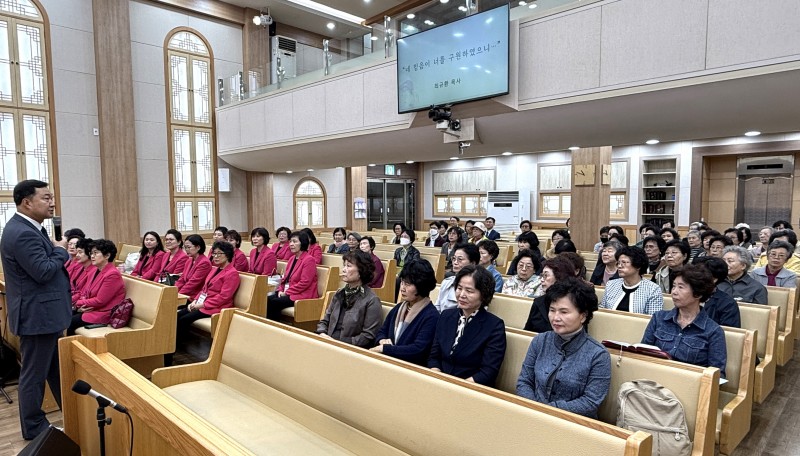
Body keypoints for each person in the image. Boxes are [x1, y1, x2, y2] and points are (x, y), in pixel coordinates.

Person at [0, 180, 72, 440]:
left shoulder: (32, 228)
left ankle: (72, 414)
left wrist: (54, 250)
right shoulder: (22, 232)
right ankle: (33, 427)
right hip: (37, 316)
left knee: (54, 370)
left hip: (45, 314)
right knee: (34, 374)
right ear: (27, 202)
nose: (52, 202)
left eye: (52, 197)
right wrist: (61, 251)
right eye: (46, 198)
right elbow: (42, 271)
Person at [516, 278, 611, 419]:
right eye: (552, 310)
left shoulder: (598, 354)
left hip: (572, 424)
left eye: (564, 312)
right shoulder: (539, 341)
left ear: (583, 316)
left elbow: (590, 402)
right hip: (531, 415)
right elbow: (524, 382)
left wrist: (549, 411)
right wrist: (534, 409)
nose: (555, 318)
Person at [642, 265, 727, 377]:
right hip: (654, 379)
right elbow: (642, 354)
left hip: (689, 386)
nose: (674, 292)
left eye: (681, 287)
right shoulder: (659, 318)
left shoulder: (713, 331)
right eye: (673, 286)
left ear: (698, 293)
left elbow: (717, 374)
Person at [428, 265, 507, 386]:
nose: (462, 295)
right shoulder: (446, 316)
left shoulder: (494, 326)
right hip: (438, 382)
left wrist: (458, 387)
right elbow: (434, 356)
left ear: (484, 294)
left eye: (469, 291)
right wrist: (437, 377)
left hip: (470, 389)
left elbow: (488, 371)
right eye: (459, 288)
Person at [371, 259, 439, 365]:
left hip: (410, 368)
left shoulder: (431, 315)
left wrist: (386, 349)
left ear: (421, 285)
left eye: (407, 284)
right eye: (402, 282)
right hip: (388, 362)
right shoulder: (398, 308)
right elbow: (381, 332)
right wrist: (382, 340)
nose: (402, 288)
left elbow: (418, 350)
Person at [175, 241, 241, 349]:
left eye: (219, 254)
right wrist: (195, 301)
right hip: (203, 303)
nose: (215, 256)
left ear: (228, 255)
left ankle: (177, 346)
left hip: (216, 307)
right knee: (178, 315)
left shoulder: (232, 273)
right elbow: (204, 289)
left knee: (184, 319)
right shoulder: (215, 269)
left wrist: (202, 305)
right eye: (214, 253)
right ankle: (175, 344)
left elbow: (224, 297)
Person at [317, 250, 382, 347]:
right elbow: (324, 321)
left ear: (361, 270)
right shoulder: (339, 293)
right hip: (328, 342)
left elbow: (368, 336)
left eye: (349, 266)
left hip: (349, 349)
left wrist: (339, 343)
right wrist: (322, 333)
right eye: (344, 265)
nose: (343, 269)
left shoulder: (372, 300)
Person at [68, 239, 126, 335]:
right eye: (91, 253)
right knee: (63, 316)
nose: (92, 256)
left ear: (107, 255)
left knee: (70, 322)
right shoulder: (95, 270)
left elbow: (100, 300)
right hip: (91, 308)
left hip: (103, 313)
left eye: (96, 253)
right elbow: (85, 293)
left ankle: (66, 349)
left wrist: (77, 303)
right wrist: (79, 307)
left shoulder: (112, 274)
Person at [267, 230, 319, 320]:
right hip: (289, 291)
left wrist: (286, 292)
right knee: (266, 299)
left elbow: (305, 282)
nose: (291, 244)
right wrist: (280, 290)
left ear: (302, 243)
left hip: (302, 294)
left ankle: (276, 328)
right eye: (290, 241)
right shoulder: (292, 259)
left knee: (274, 302)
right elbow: (285, 279)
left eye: (294, 241)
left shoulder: (309, 260)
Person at [600, 246, 664, 315]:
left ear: (638, 265)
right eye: (618, 263)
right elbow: (602, 310)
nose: (619, 266)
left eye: (624, 262)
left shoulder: (652, 289)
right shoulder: (611, 284)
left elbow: (654, 319)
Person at [524, 256, 575, 333]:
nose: (541, 280)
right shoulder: (538, 302)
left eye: (546, 276)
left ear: (559, 277)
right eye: (542, 275)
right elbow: (527, 333)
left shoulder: (575, 301)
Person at [692, 257, 741, 327]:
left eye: (700, 275)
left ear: (714, 279)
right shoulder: (688, 295)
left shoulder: (727, 304)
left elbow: (728, 333)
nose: (695, 279)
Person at [434, 243, 479, 312]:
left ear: (472, 263)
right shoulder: (446, 282)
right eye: (454, 258)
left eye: (460, 259)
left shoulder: (478, 285)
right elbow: (437, 307)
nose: (455, 262)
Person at [175, 234, 213, 301]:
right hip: (185, 294)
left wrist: (179, 295)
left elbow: (193, 283)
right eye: (185, 247)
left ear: (198, 247)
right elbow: (182, 279)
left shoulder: (204, 263)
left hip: (194, 296)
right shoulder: (189, 260)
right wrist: (173, 291)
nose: (186, 250)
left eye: (188, 247)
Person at [393, 228, 421, 300]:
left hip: (407, 273)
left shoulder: (415, 252)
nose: (402, 238)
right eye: (402, 236)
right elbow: (394, 263)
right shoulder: (398, 251)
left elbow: (414, 265)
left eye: (405, 237)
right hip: (396, 272)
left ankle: (395, 299)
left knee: (398, 280)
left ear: (411, 239)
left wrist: (400, 274)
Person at [69, 238, 94, 302]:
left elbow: (83, 293)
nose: (77, 255)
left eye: (80, 252)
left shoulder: (94, 270)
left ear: (89, 253)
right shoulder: (81, 268)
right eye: (77, 252)